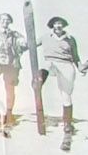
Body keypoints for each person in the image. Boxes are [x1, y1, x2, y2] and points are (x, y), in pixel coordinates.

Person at [30, 15, 83, 147]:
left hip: (65, 63)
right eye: (56, 24)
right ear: (52, 25)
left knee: (66, 94)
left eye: (60, 24)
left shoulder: (70, 39)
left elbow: (75, 56)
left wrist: (80, 67)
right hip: (50, 61)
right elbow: (30, 45)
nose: (58, 26)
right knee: (46, 65)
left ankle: (67, 123)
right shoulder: (46, 37)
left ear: (63, 26)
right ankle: (39, 80)